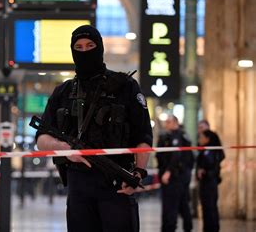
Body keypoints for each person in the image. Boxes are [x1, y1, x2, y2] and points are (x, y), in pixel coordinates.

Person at [36, 25, 153, 232]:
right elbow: (41, 139)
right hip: (78, 186)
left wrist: (138, 172)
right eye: (78, 47)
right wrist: (65, 149)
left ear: (100, 47)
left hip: (117, 183)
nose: (85, 51)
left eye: (90, 45)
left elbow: (143, 135)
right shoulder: (62, 92)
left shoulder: (125, 86)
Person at [156, 115, 194, 232]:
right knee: (182, 204)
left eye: (168, 122)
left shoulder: (177, 136)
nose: (166, 124)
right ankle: (186, 227)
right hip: (179, 177)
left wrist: (168, 172)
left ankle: (169, 228)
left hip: (174, 177)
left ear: (175, 122)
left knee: (171, 206)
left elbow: (176, 156)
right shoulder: (177, 136)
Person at [197, 129, 224, 232]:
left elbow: (214, 169)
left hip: (210, 183)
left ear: (207, 139)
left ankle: (212, 229)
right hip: (206, 183)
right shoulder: (205, 151)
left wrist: (204, 172)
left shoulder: (211, 152)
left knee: (210, 208)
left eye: (202, 137)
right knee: (206, 208)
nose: (200, 139)